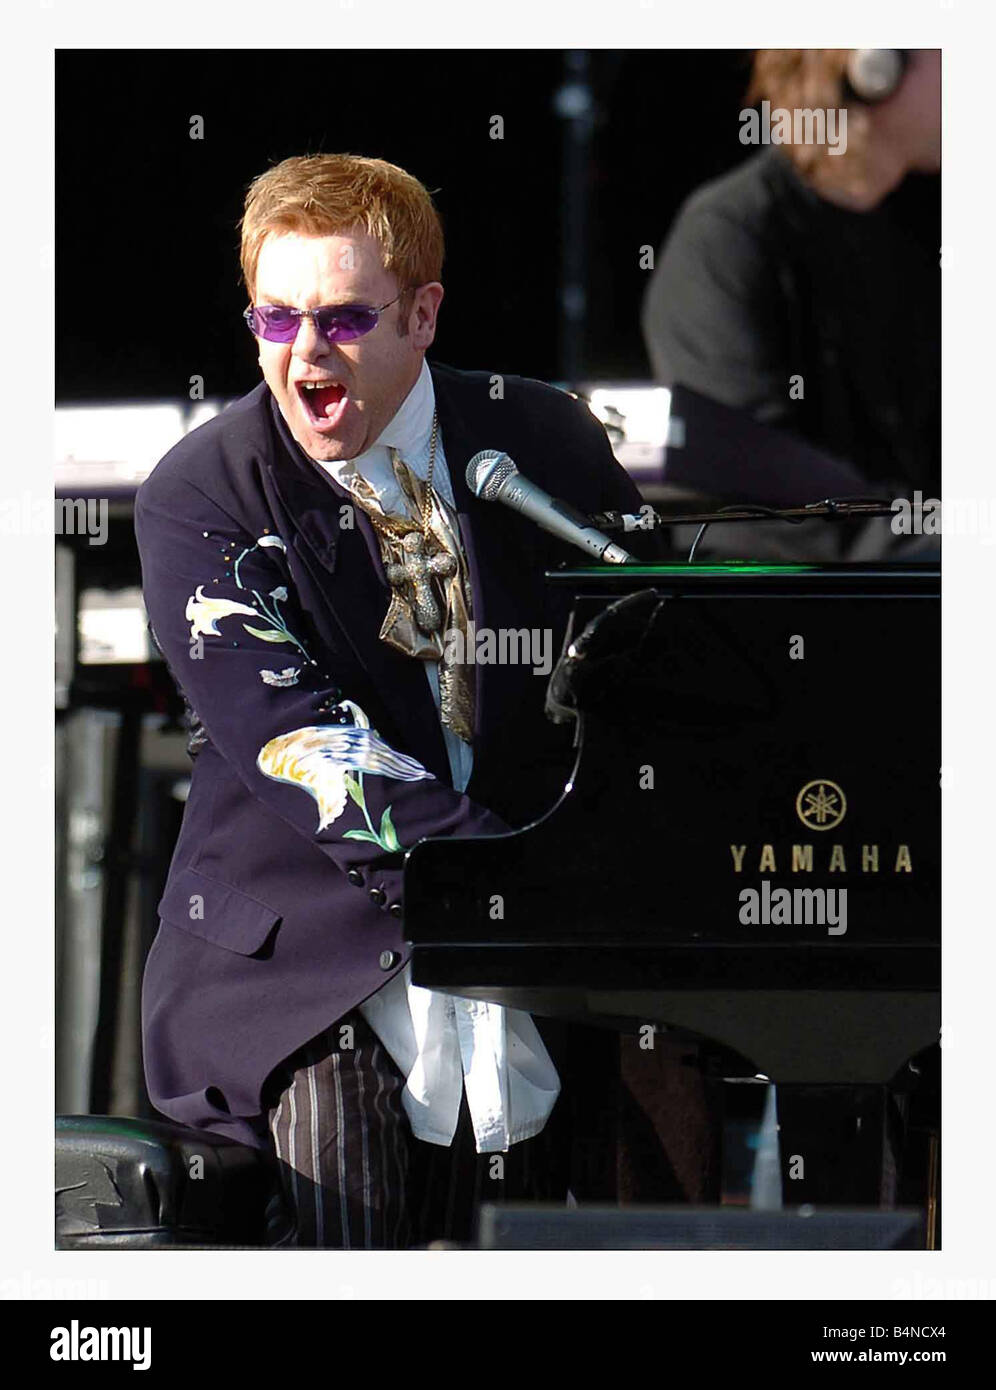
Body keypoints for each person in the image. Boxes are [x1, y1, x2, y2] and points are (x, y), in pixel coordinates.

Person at [134, 153, 652, 1248]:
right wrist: (523, 888)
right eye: (274, 320)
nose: (305, 355)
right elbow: (302, 747)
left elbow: (647, 665)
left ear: (423, 314)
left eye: (342, 317)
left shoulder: (543, 438)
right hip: (305, 967)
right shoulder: (204, 491)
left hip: (537, 957)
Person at [642, 49, 941, 498]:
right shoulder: (728, 238)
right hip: (813, 563)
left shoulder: (917, 230)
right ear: (874, 66)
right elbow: (756, 489)